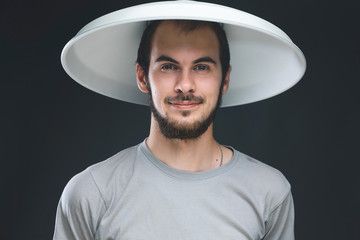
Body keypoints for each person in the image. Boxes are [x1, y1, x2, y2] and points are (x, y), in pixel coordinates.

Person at [54, 1, 305, 240]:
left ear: (225, 80)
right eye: (168, 66)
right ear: (142, 77)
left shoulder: (269, 193)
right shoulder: (91, 193)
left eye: (202, 67)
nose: (185, 84)